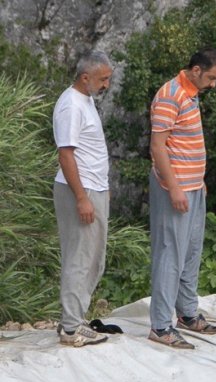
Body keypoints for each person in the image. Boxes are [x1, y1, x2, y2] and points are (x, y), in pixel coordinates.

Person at [147, 48, 216, 349]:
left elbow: (184, 142)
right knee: (170, 253)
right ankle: (161, 325)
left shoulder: (190, 94)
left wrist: (197, 182)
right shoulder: (170, 94)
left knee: (191, 251)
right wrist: (175, 187)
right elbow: (158, 146)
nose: (213, 85)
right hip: (174, 190)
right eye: (211, 78)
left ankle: (187, 314)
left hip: (194, 187)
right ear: (195, 70)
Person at [52, 51, 114, 347]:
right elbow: (66, 154)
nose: (106, 85)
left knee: (93, 260)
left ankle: (73, 319)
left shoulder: (85, 100)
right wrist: (81, 198)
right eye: (103, 79)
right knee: (80, 258)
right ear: (85, 77)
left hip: (93, 188)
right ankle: (70, 328)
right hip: (80, 190)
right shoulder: (71, 106)